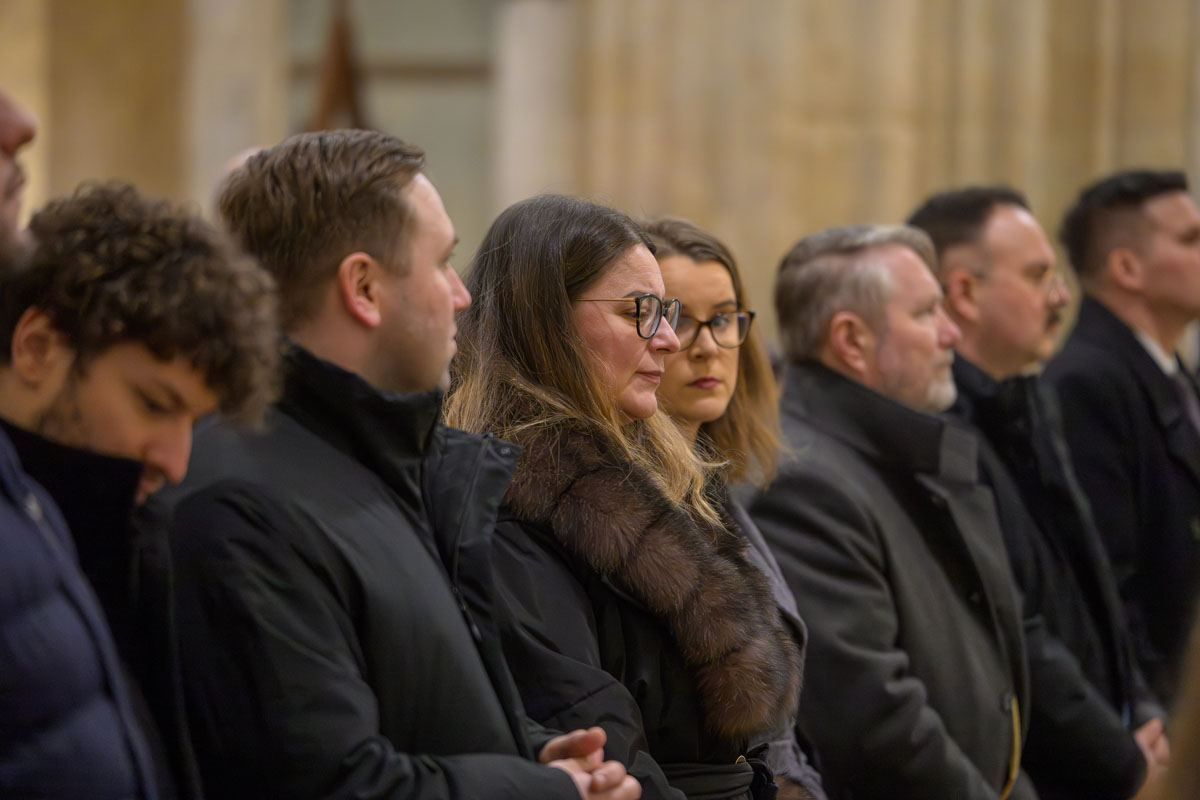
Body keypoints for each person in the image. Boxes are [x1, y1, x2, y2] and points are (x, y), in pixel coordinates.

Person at [163, 130, 640, 800]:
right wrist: (542, 792)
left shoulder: (379, 462)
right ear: (363, 287)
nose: (461, 296)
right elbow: (331, 783)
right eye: (442, 263)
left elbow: (412, 702)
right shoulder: (240, 507)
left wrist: (527, 752)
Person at [446, 195, 803, 800]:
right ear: (547, 322)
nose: (668, 340)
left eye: (664, 312)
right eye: (640, 312)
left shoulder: (663, 474)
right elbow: (597, 747)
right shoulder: (510, 502)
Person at [0, 179, 280, 799]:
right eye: (154, 405)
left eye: (193, 423)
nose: (175, 463)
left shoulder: (142, 544)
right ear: (37, 348)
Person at [748, 224, 1043, 799]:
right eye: (928, 312)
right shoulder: (805, 483)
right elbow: (874, 720)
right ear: (851, 340)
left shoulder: (902, 449)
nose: (952, 333)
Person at [909, 186, 1167, 798]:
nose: (1061, 297)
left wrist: (1140, 706)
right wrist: (1119, 757)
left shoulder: (1028, 400)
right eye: (1037, 276)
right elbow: (1015, 628)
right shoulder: (939, 434)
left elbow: (1096, 585)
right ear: (964, 293)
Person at [644, 216, 826, 800]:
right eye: (677, 318)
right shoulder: (627, 501)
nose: (706, 347)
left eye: (723, 319)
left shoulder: (713, 484)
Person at [1044, 169, 1200, 702]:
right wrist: (1150, 708)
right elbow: (1106, 580)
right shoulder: (1085, 383)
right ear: (1127, 267)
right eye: (1190, 240)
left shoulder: (1171, 372)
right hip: (1156, 703)